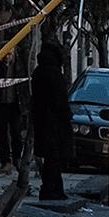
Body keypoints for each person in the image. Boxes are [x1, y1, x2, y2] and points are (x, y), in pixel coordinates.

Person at [31, 40, 71, 201]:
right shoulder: (54, 74)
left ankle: (55, 188)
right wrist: (66, 115)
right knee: (53, 158)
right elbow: (60, 100)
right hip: (54, 122)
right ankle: (50, 189)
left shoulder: (39, 71)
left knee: (51, 158)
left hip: (41, 120)